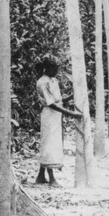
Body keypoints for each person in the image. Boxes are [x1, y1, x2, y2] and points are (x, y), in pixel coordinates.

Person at [35, 57, 81, 187]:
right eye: (54, 69)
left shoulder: (53, 80)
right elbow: (51, 104)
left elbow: (59, 100)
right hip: (49, 115)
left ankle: (41, 175)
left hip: (56, 115)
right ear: (47, 68)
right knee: (49, 144)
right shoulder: (42, 82)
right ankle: (52, 178)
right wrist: (71, 114)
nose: (56, 72)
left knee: (53, 143)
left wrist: (73, 95)